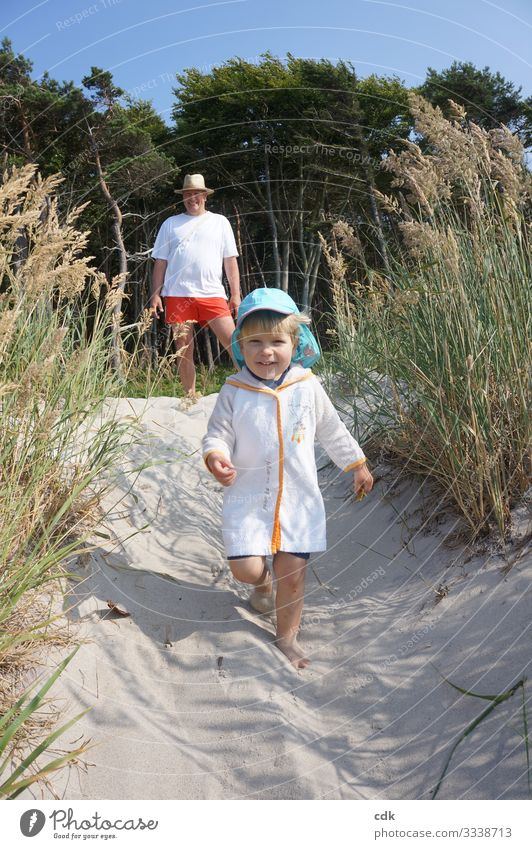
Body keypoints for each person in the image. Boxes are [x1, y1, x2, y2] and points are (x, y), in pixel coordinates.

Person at [202, 288, 374, 669]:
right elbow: (217, 434)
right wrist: (216, 456)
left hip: (298, 499)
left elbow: (331, 428)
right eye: (255, 343)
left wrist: (356, 464)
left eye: (277, 342)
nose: (266, 352)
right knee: (244, 570)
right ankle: (262, 585)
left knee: (293, 577)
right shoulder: (234, 391)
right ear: (240, 348)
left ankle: (287, 638)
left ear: (295, 343)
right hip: (248, 499)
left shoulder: (307, 385)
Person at [150, 173, 241, 396]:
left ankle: (251, 388)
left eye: (196, 194)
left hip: (212, 294)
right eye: (188, 194)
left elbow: (230, 260)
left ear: (204, 196)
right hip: (178, 295)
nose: (192, 198)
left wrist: (236, 294)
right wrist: (155, 294)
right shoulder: (170, 224)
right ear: (183, 197)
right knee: (182, 350)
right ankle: (189, 395)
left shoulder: (220, 222)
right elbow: (160, 262)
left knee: (234, 343)